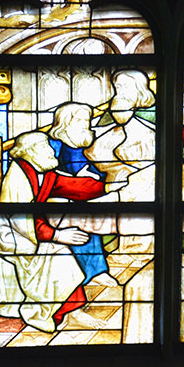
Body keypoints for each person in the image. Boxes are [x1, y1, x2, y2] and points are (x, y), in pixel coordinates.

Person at [0, 131, 108, 332]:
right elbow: (21, 220)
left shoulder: (42, 173)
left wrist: (109, 186)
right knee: (58, 252)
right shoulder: (18, 178)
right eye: (45, 147)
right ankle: (65, 313)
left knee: (59, 249)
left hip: (29, 231)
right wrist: (56, 235)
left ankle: (71, 311)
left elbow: (73, 187)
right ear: (30, 152)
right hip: (9, 235)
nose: (52, 151)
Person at [46, 102, 110, 283]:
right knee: (79, 216)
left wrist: (95, 178)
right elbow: (46, 173)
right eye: (79, 120)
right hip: (59, 197)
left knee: (90, 214)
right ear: (65, 122)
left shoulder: (86, 145)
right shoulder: (54, 145)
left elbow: (96, 171)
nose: (85, 124)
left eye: (87, 120)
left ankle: (96, 271)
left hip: (85, 194)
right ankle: (90, 273)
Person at [87, 70, 156, 189]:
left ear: (140, 90)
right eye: (118, 87)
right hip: (112, 181)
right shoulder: (111, 115)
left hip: (145, 182)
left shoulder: (152, 116)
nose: (120, 92)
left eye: (126, 86)